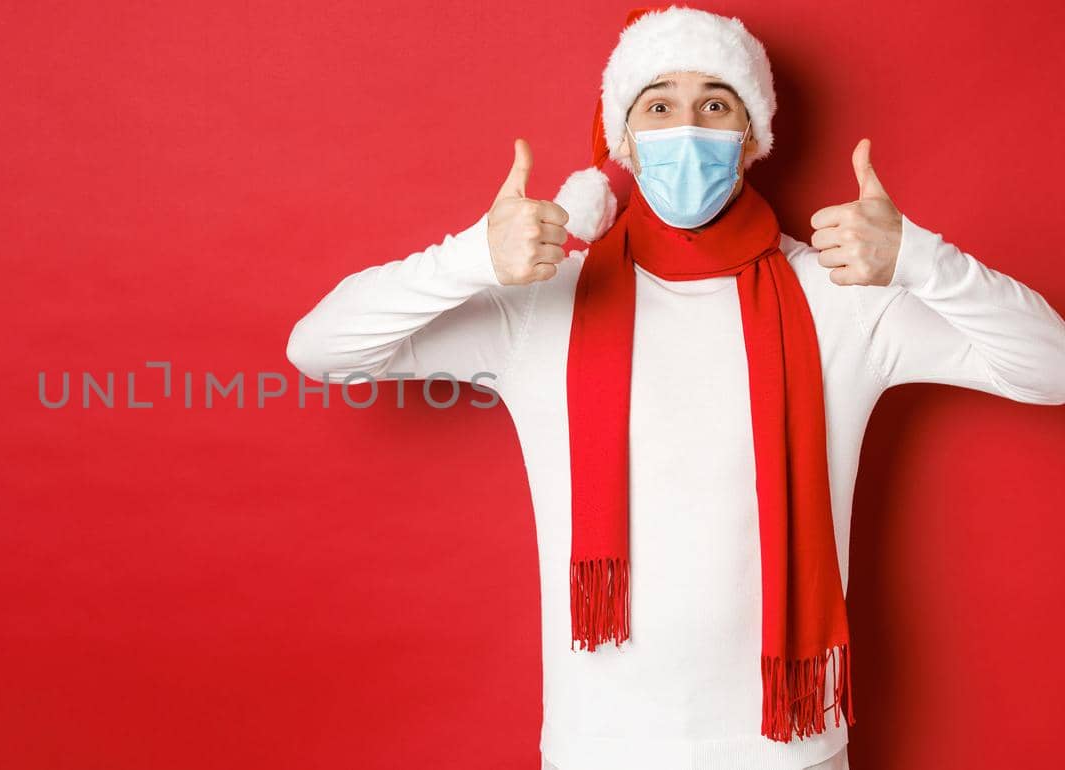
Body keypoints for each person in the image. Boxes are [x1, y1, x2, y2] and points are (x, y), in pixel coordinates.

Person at [283, 5, 1065, 770]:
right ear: (623, 139)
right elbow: (322, 348)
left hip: (788, 749)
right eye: (658, 105)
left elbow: (1051, 370)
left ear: (752, 136)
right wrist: (472, 260)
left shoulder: (841, 295)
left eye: (714, 106)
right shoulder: (544, 299)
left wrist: (923, 260)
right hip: (602, 747)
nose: (685, 130)